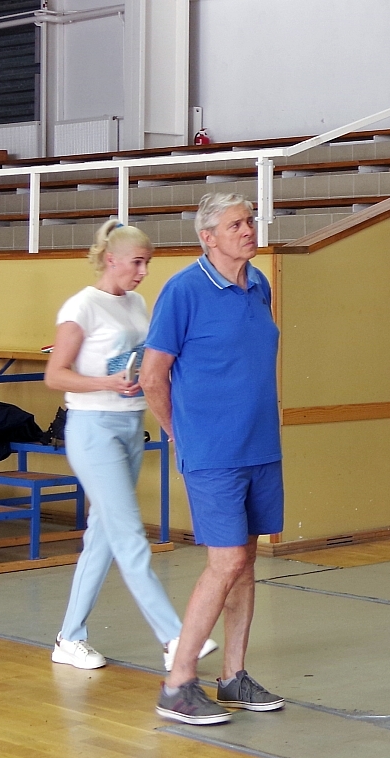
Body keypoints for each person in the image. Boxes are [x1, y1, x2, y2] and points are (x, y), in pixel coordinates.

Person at [43, 219, 218, 673]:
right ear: (111, 259)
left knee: (103, 537)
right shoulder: (81, 306)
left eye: (148, 263)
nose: (143, 272)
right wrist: (107, 382)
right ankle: (174, 637)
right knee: (129, 535)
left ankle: (70, 638)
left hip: (129, 425)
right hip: (92, 429)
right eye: (137, 263)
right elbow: (55, 375)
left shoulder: (137, 303)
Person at [140, 192, 286, 725]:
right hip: (213, 453)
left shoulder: (259, 284)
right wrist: (182, 435)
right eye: (235, 224)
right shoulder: (183, 290)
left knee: (245, 560)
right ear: (208, 237)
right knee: (224, 563)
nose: (248, 230)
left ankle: (233, 677)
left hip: (260, 446)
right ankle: (178, 684)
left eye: (250, 221)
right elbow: (152, 377)